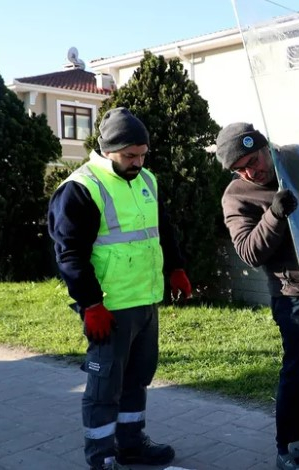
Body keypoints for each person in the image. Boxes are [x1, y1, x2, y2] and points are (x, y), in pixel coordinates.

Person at [48, 107, 193, 470]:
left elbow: (163, 229)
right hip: (109, 309)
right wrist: (91, 304)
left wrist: (176, 268)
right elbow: (70, 255)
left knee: (136, 379)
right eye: (130, 156)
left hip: (144, 299)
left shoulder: (147, 180)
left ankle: (131, 445)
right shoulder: (81, 189)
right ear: (107, 149)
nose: (138, 162)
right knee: (104, 387)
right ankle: (102, 457)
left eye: (143, 155)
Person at [216, 122, 299, 470]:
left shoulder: (295, 158)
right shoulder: (236, 195)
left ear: (265, 146)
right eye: (240, 167)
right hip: (294, 296)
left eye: (253, 159)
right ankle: (288, 449)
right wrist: (274, 214)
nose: (251, 170)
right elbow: (248, 251)